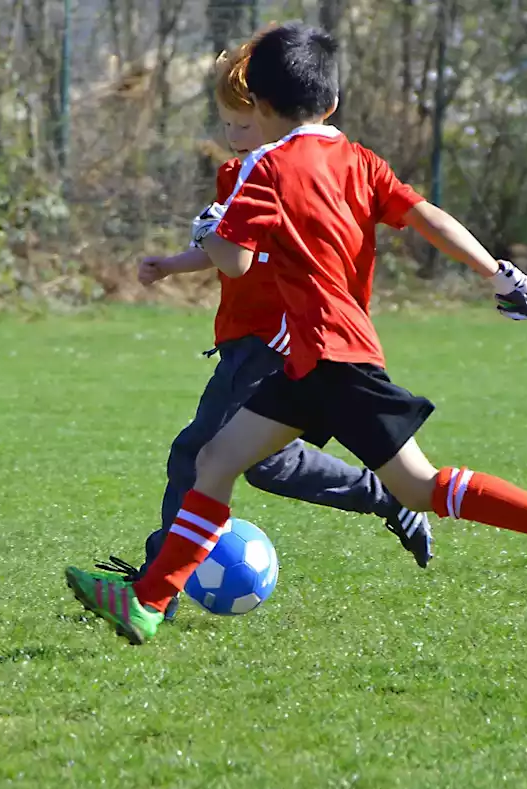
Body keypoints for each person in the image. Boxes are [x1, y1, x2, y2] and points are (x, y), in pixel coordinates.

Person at [67, 22, 527, 644]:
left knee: (418, 486)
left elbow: (237, 262)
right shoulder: (359, 161)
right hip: (309, 357)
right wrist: (497, 273)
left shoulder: (265, 168)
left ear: (263, 104)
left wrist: (209, 233)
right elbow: (428, 219)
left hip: (332, 357)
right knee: (216, 460)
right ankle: (148, 601)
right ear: (330, 102)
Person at [96, 38, 433, 622]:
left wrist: (210, 241)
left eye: (244, 123)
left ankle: (158, 589)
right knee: (263, 461)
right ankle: (390, 495)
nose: (234, 135)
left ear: (274, 113)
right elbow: (232, 249)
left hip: (272, 339)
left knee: (197, 453)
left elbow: (245, 256)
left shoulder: (288, 169)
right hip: (249, 337)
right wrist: (176, 262)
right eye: (227, 123)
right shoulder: (241, 171)